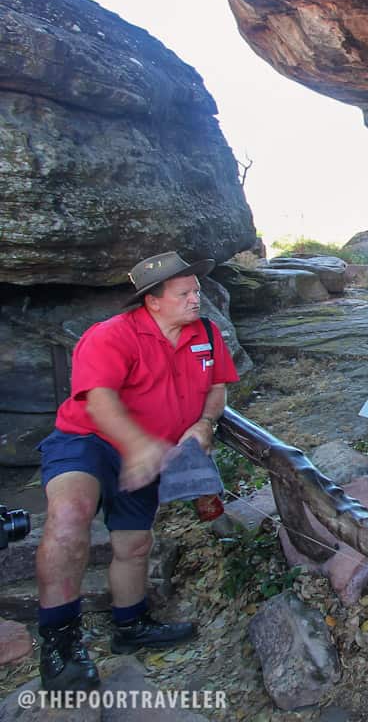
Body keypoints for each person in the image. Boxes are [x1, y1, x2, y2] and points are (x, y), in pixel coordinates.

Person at [35, 252, 238, 691]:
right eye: (184, 293)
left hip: (151, 449)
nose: (195, 299)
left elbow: (218, 386)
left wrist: (204, 423)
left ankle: (130, 625)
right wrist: (138, 446)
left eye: (197, 290)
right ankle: (59, 643)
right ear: (153, 301)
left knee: (134, 541)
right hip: (87, 444)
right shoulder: (110, 336)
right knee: (69, 517)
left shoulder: (204, 333)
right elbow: (99, 401)